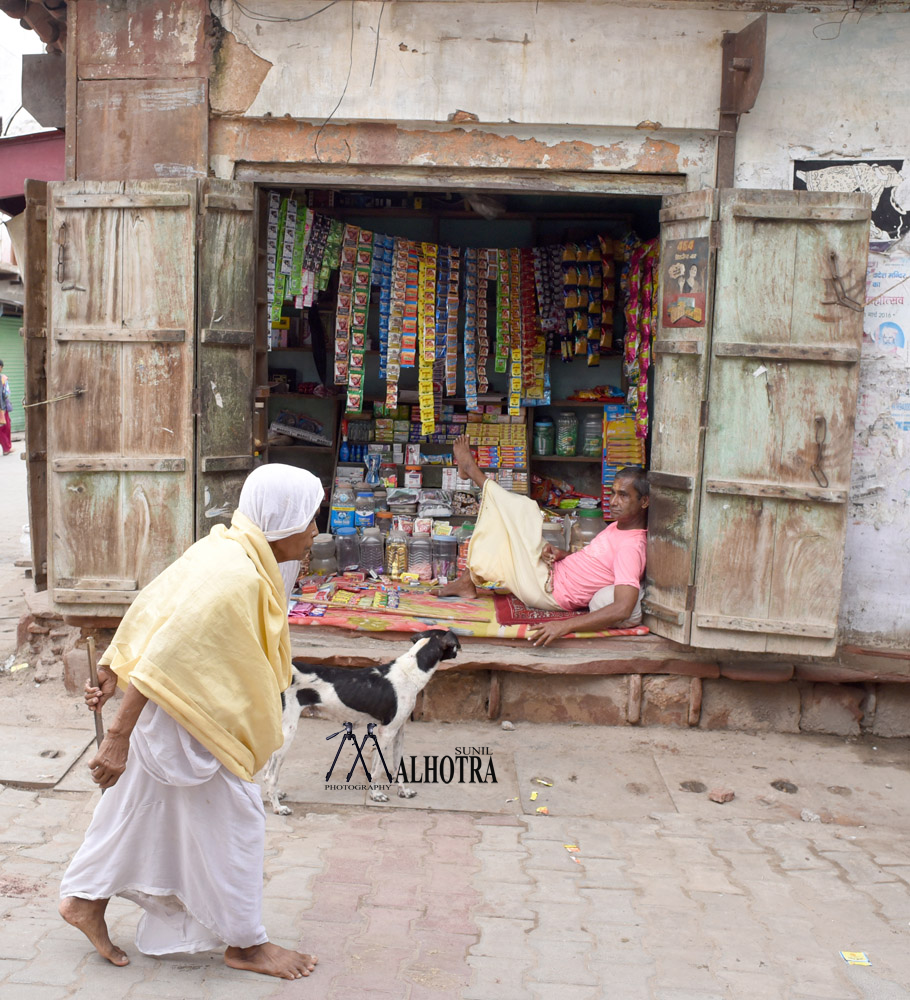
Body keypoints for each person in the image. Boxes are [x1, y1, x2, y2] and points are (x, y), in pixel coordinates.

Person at [59, 464, 323, 980]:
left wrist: (114, 663)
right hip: (193, 720)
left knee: (137, 807)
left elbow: (157, 604)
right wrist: (116, 737)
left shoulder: (229, 546)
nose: (317, 530)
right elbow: (165, 657)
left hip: (184, 711)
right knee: (239, 823)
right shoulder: (235, 576)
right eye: (311, 519)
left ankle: (84, 900)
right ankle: (246, 944)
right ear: (283, 520)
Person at [437, 436, 648, 647]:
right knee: (511, 523)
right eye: (612, 493)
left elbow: (623, 607)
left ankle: (471, 470)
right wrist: (562, 554)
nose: (613, 502)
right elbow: (597, 565)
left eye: (623, 495)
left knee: (519, 511)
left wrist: (564, 626)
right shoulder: (618, 526)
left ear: (644, 501)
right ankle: (468, 581)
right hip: (550, 571)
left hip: (548, 591)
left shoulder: (631, 547)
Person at [0, 359, 12, 456]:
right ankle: (6, 448)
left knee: (6, 426)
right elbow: (7, 393)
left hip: (2, 407)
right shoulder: (3, 378)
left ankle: (7, 447)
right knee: (3, 428)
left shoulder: (2, 378)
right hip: (2, 407)